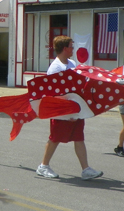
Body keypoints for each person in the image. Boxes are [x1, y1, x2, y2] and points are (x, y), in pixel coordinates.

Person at [36, 35, 103, 180]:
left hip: (75, 107)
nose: (73, 49)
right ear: (65, 48)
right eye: (71, 46)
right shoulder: (55, 67)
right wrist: (67, 111)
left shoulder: (72, 63)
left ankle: (86, 169)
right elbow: (54, 92)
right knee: (55, 138)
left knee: (79, 138)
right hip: (61, 109)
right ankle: (43, 166)